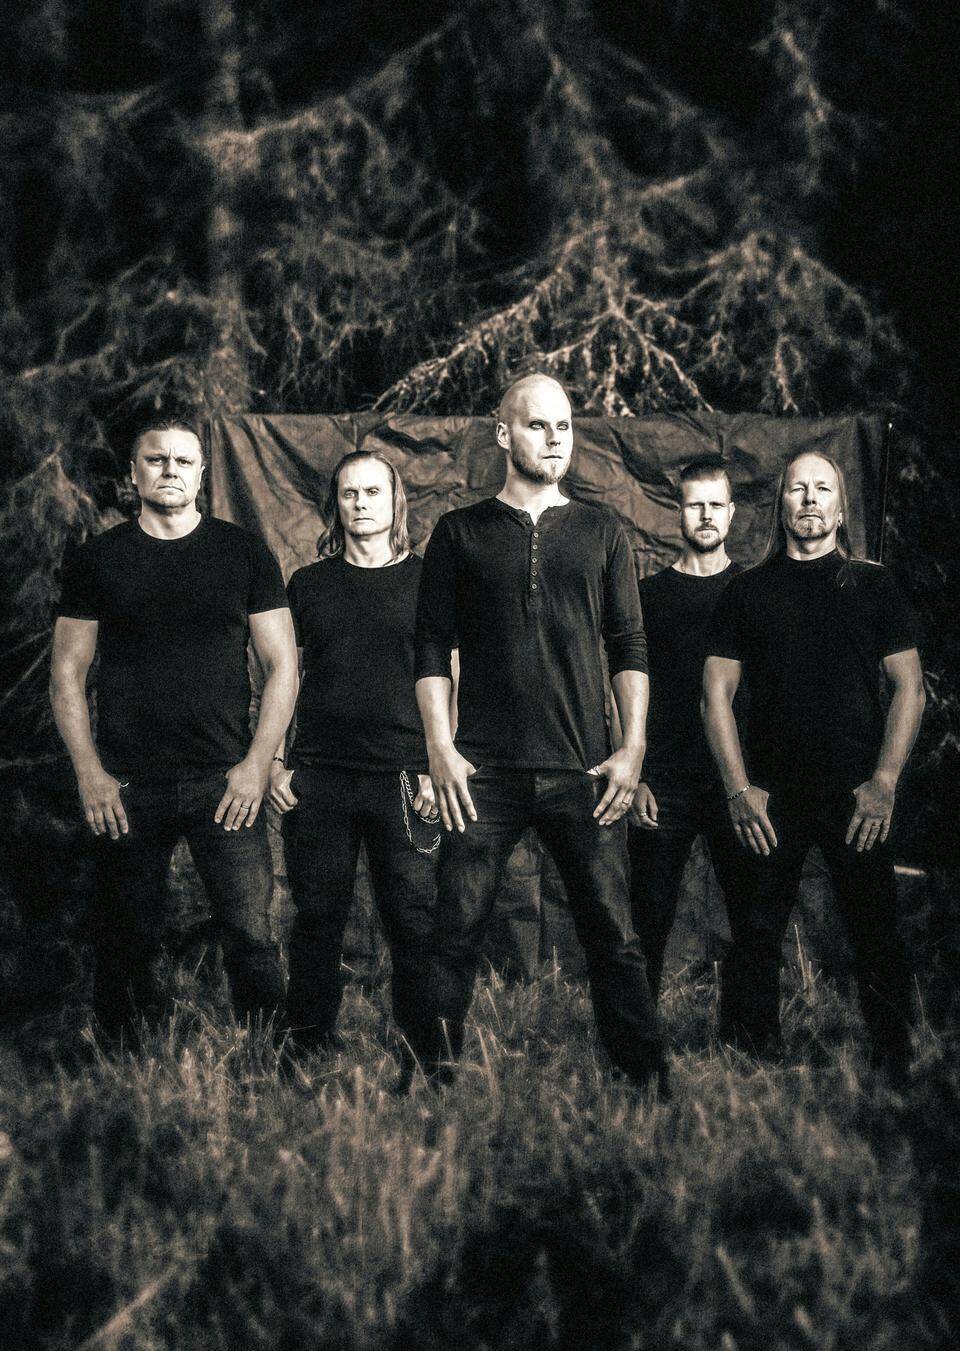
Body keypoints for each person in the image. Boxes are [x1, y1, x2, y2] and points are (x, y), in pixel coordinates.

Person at [414, 373, 665, 1090]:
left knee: (614, 935)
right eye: (537, 425)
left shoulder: (601, 531)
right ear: (504, 434)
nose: (555, 439)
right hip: (482, 773)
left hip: (583, 769)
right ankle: (429, 1077)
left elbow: (629, 644)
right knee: (454, 932)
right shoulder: (459, 532)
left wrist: (632, 748)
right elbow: (429, 648)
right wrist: (440, 748)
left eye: (564, 426)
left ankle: (646, 1081)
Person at [50, 417, 298, 1036]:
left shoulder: (242, 552)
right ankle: (123, 1063)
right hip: (127, 784)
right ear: (133, 474)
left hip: (226, 780)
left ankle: (272, 1056)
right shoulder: (99, 559)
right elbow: (67, 676)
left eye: (183, 461)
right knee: (123, 938)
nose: (170, 470)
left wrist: (256, 765)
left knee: (251, 933)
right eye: (156, 459)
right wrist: (90, 774)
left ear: (201, 474)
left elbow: (283, 667)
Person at [702, 450, 925, 1078]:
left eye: (822, 489)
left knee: (876, 930)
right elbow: (714, 695)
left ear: (840, 507)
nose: (808, 499)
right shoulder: (747, 591)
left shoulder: (873, 586)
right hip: (771, 796)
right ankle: (751, 1064)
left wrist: (884, 783)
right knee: (756, 932)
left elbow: (910, 688)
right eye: (797, 488)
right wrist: (738, 789)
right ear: (780, 505)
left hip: (856, 794)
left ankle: (893, 1062)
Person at [268, 450, 448, 1075]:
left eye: (373, 492)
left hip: (406, 777)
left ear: (396, 501)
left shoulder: (428, 581)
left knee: (413, 921)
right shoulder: (308, 584)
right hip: (320, 776)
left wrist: (439, 763)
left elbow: (453, 675)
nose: (361, 504)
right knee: (317, 918)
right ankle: (305, 1047)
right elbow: (283, 677)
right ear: (335, 504)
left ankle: (424, 1056)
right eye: (350, 493)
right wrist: (276, 762)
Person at [626, 458, 747, 1004]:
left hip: (736, 784)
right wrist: (636, 776)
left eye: (715, 505)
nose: (705, 515)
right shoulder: (647, 596)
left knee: (753, 921)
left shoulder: (752, 592)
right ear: (678, 512)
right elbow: (624, 688)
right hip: (663, 784)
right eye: (695, 504)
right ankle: (637, 1035)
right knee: (646, 922)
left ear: (732, 514)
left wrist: (754, 782)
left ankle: (746, 1036)